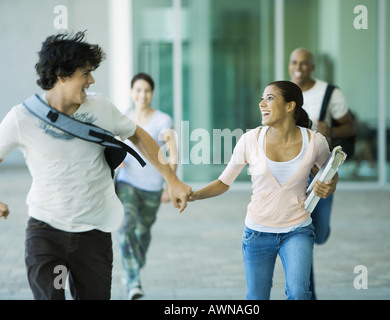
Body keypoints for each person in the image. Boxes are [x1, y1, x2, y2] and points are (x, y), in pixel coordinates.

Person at [0, 32, 191, 300]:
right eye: (85, 73)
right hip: (47, 232)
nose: (91, 80)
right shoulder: (21, 118)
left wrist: (172, 179)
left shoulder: (100, 107)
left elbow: (137, 134)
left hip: (94, 234)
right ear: (61, 75)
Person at [189, 81, 338, 300]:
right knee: (256, 299)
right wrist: (195, 195)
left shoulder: (315, 142)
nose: (261, 104)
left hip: (297, 229)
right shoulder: (250, 140)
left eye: (269, 98)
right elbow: (224, 182)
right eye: (262, 98)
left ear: (290, 106)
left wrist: (328, 186)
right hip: (257, 233)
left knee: (299, 293)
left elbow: (330, 174)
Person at [288, 47, 356, 299]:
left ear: (313, 67)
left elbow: (350, 127)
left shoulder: (330, 93)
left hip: (321, 172)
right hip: (292, 172)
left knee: (320, 233)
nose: (299, 67)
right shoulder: (284, 92)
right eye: (294, 62)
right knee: (301, 234)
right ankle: (306, 294)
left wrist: (332, 131)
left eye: (304, 63)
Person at [115, 73, 178, 300]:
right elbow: (112, 144)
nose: (142, 95)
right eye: (138, 90)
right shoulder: (122, 117)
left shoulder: (163, 120)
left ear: (152, 93)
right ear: (132, 92)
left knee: (143, 232)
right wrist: (115, 159)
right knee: (126, 227)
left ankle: (133, 264)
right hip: (127, 182)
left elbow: (172, 153)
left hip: (152, 186)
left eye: (147, 91)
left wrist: (170, 184)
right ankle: (133, 282)